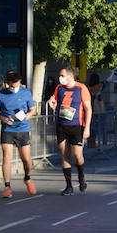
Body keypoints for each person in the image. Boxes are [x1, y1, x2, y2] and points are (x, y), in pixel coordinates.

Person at [0, 70, 37, 198]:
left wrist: (28, 115)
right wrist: (3, 118)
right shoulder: (1, 94)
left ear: (20, 82)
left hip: (22, 129)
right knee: (7, 157)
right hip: (8, 130)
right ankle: (7, 186)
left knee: (26, 160)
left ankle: (27, 178)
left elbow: (33, 109)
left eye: (16, 85)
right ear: (7, 83)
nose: (13, 88)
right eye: (11, 86)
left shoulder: (26, 93)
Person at [47, 65, 92, 195]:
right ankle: (69, 186)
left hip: (77, 126)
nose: (59, 78)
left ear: (70, 76)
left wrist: (87, 127)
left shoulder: (81, 88)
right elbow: (54, 100)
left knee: (77, 156)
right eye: (59, 76)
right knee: (64, 155)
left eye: (62, 76)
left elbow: (88, 109)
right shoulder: (59, 88)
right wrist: (51, 102)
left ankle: (81, 176)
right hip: (61, 125)